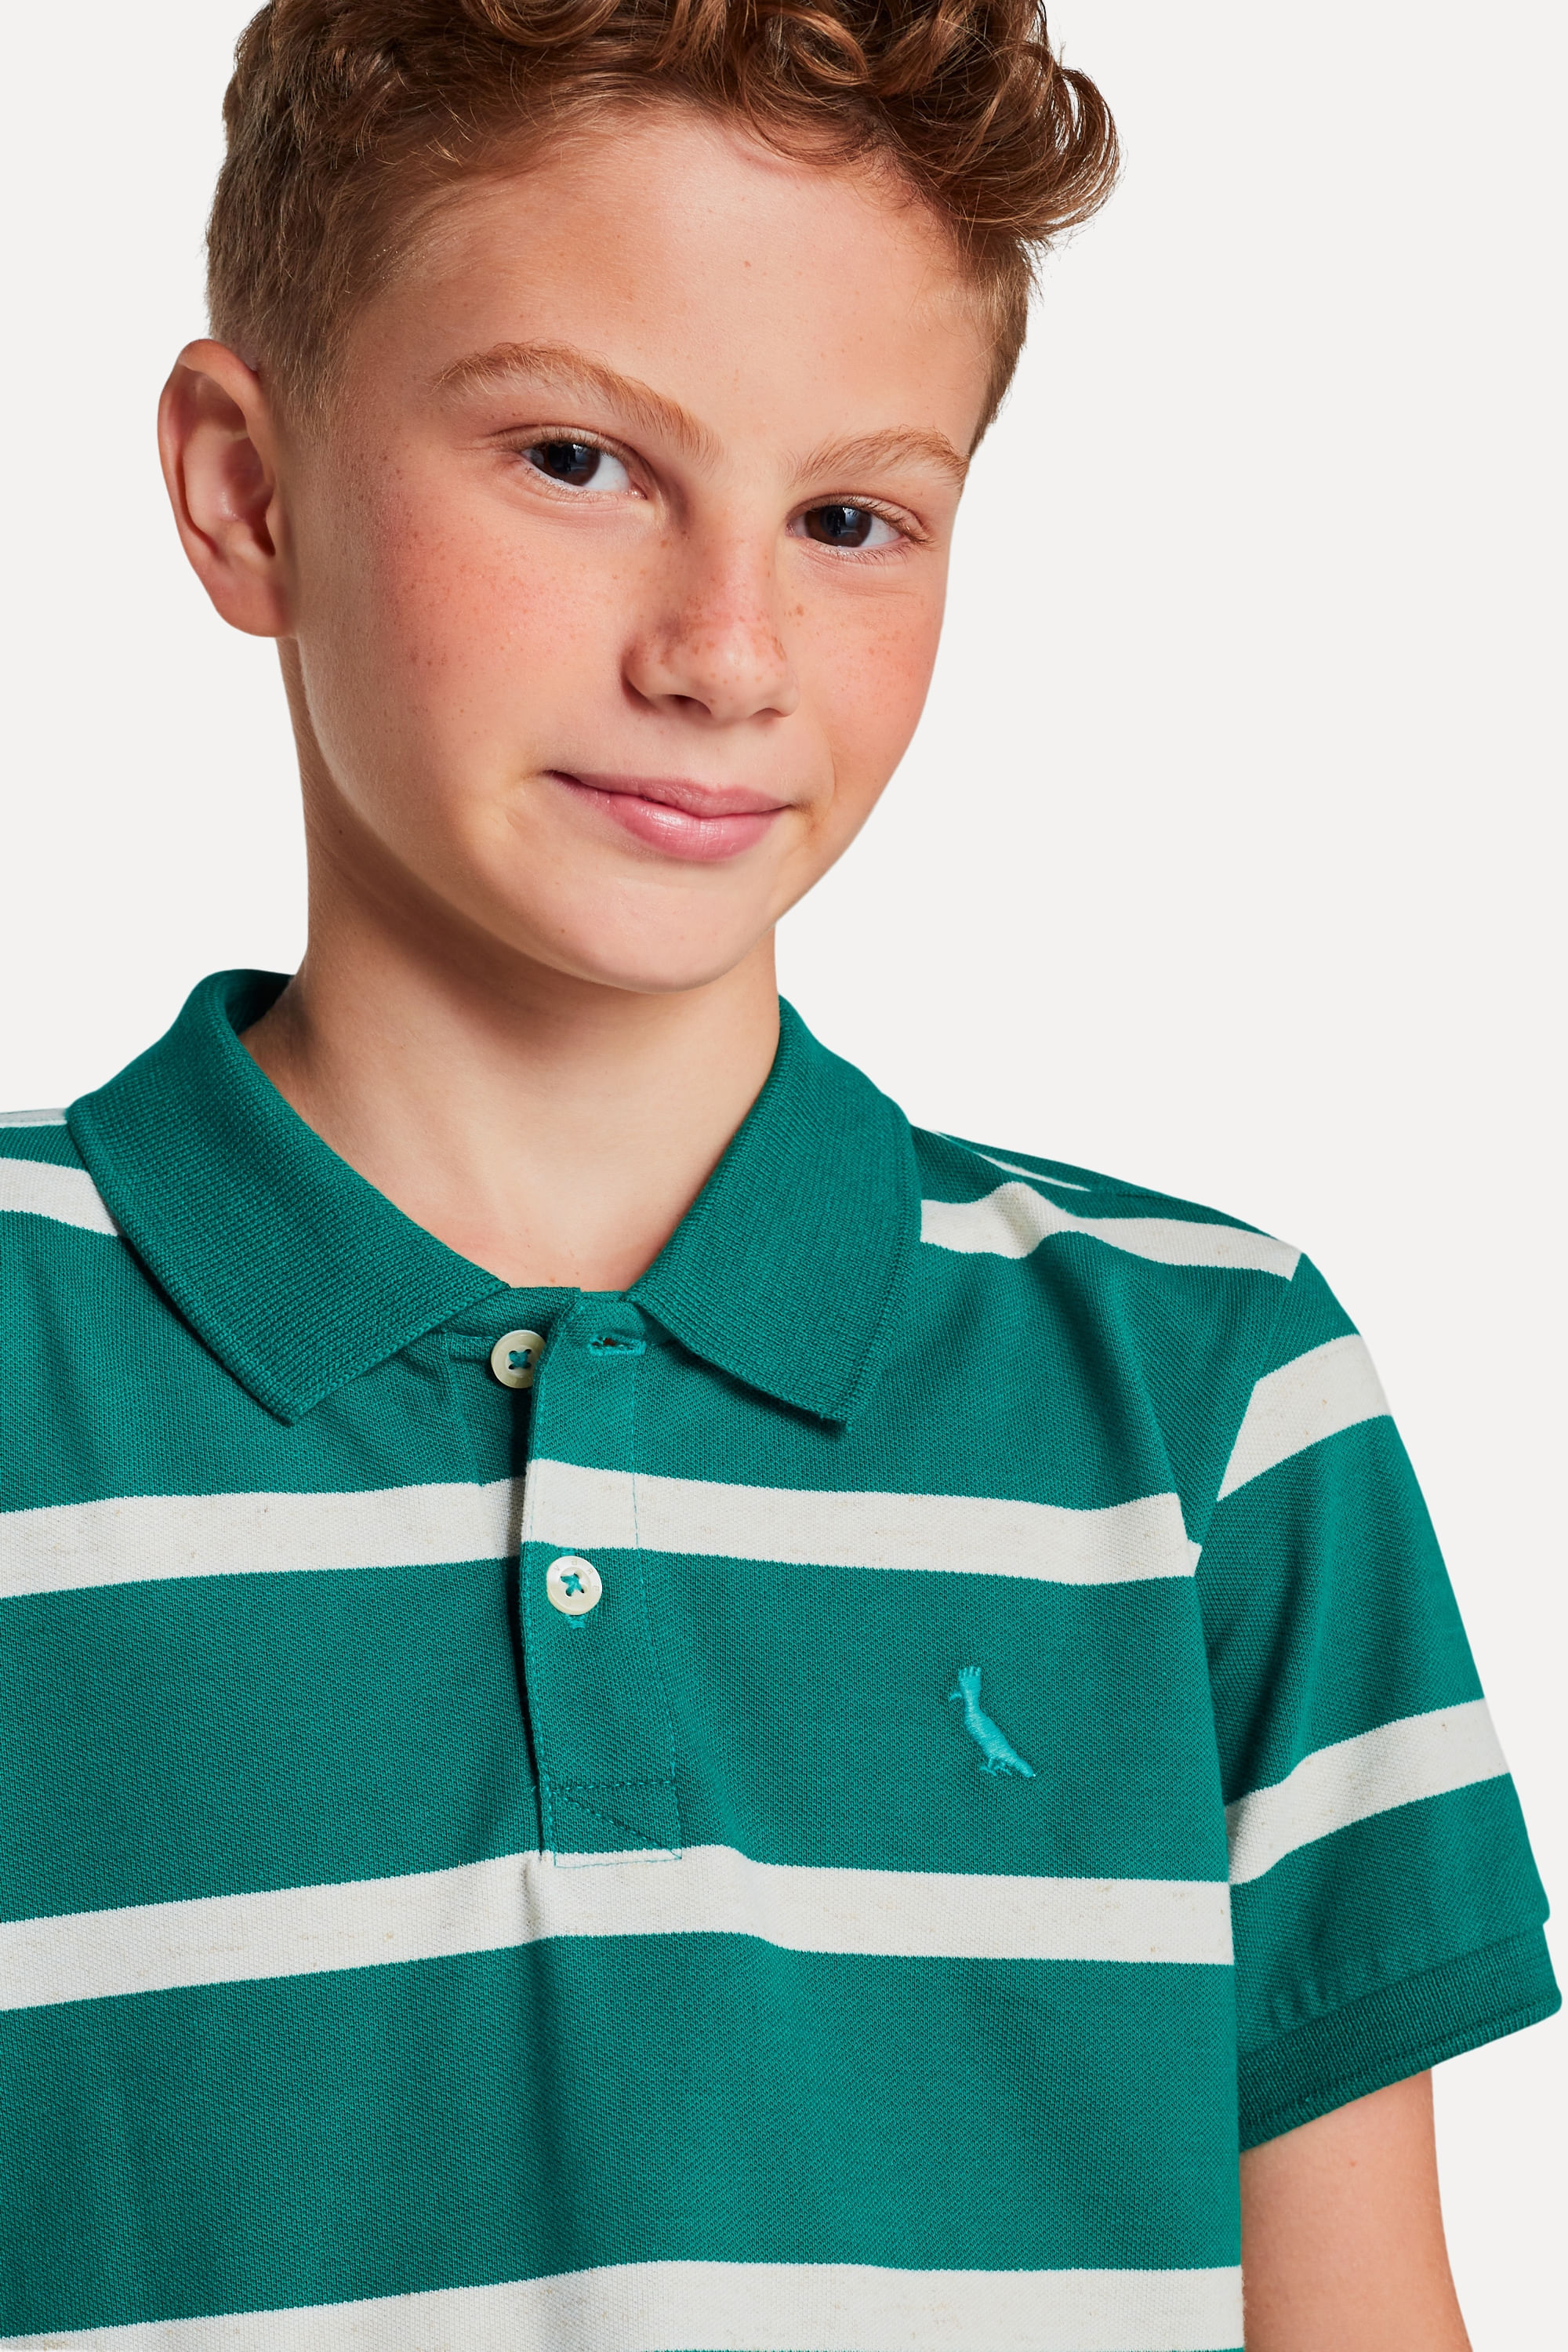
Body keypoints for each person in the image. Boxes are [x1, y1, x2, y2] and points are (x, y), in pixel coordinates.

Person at [0, 2, 1555, 2345]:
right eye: (578, 461)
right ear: (246, 492)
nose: (728, 656)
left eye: (850, 520)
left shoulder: (1209, 1408)